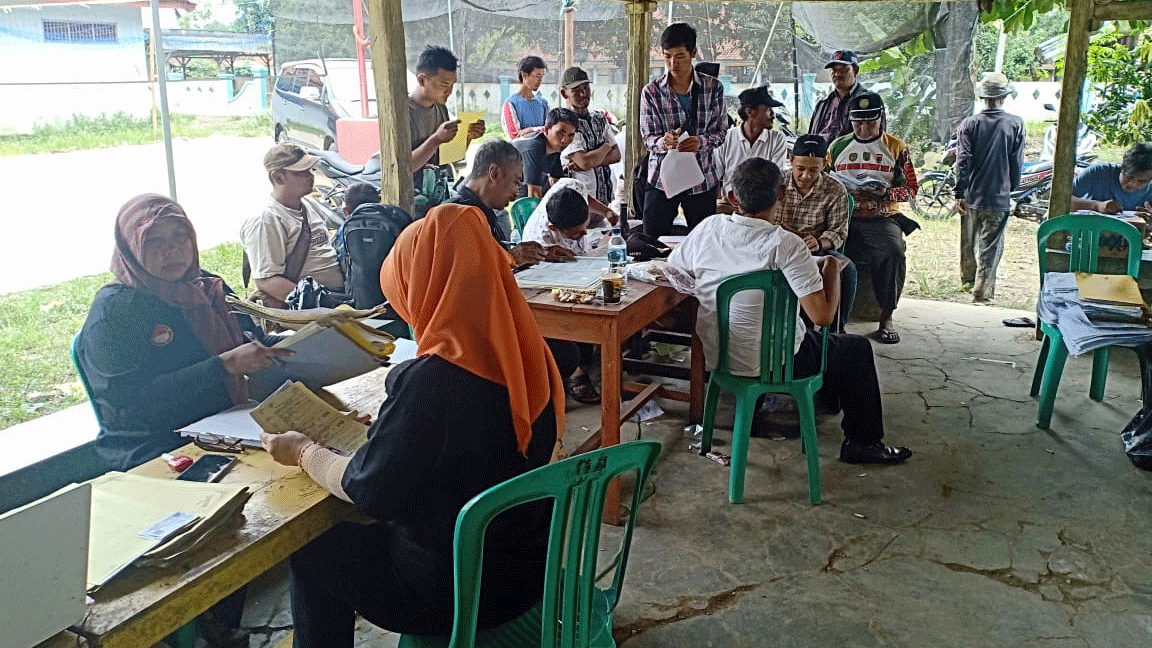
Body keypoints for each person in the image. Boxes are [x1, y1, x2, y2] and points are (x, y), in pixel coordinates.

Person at [261, 202, 565, 648]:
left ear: (425, 286)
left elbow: (370, 491)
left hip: (453, 594)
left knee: (316, 552)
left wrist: (304, 452)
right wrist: (393, 430)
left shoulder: (433, 381)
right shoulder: (527, 355)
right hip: (527, 573)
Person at [667, 158, 912, 464]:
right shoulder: (787, 245)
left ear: (732, 197)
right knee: (855, 348)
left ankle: (778, 409)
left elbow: (675, 271)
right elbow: (822, 316)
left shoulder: (707, 229)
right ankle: (863, 443)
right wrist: (832, 270)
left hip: (719, 356)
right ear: (780, 195)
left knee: (799, 337)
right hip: (778, 363)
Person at [78, 194, 291, 471]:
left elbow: (250, 339)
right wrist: (223, 366)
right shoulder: (115, 312)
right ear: (131, 247)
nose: (173, 250)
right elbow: (127, 403)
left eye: (181, 236)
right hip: (157, 447)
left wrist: (306, 341)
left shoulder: (206, 287)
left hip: (227, 423)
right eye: (154, 240)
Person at [828, 91, 919, 344]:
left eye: (870, 121)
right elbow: (824, 180)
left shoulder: (896, 147)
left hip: (883, 216)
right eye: (858, 122)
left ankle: (886, 316)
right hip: (845, 214)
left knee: (892, 252)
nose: (864, 128)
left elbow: (911, 188)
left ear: (881, 118)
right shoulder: (838, 147)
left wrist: (886, 192)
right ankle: (833, 319)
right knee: (830, 253)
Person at [639, 22, 727, 236]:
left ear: (693, 53)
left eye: (679, 56)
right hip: (662, 178)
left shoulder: (713, 87)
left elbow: (721, 132)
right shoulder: (651, 92)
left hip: (701, 178)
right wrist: (663, 142)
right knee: (652, 239)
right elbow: (648, 137)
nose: (672, 64)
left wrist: (701, 142)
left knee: (704, 242)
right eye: (667, 56)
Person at [240, 143, 345, 307]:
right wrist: (319, 305)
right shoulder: (266, 220)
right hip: (313, 306)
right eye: (301, 172)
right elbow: (267, 280)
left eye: (310, 170)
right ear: (278, 178)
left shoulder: (309, 204)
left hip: (337, 296)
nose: (310, 176)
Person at [954, 72, 1026, 302]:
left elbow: (962, 160)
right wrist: (1010, 188)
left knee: (968, 240)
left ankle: (967, 279)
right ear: (1004, 96)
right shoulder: (1015, 124)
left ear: (983, 98)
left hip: (972, 195)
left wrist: (959, 193)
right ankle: (982, 290)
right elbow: (1017, 163)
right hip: (999, 197)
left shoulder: (969, 124)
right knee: (991, 246)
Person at [772, 134, 856, 332]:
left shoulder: (835, 190)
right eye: (800, 169)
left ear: (825, 163)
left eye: (814, 170)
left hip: (814, 250)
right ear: (791, 160)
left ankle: (836, 331)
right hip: (777, 246)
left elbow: (838, 231)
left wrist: (819, 243)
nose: (806, 176)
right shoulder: (776, 182)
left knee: (848, 270)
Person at [450, 139, 572, 266]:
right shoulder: (458, 216)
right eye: (516, 182)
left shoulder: (483, 212)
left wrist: (541, 253)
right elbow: (467, 273)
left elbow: (490, 254)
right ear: (494, 173)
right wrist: (511, 258)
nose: (515, 194)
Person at [559, 67, 622, 226]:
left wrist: (592, 159)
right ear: (564, 93)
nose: (583, 94)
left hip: (604, 201)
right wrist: (605, 148)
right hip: (580, 204)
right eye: (576, 90)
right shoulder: (566, 124)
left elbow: (617, 155)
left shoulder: (599, 118)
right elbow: (584, 162)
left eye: (585, 88)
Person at [409, 46, 485, 174]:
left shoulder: (440, 108)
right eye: (444, 85)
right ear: (422, 80)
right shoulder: (403, 113)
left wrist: (468, 137)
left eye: (452, 85)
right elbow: (403, 168)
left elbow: (447, 158)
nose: (449, 91)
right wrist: (436, 140)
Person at [714, 85, 789, 208]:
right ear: (750, 112)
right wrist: (718, 204)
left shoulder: (777, 139)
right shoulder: (726, 137)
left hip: (762, 208)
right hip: (730, 205)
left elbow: (775, 178)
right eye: (768, 109)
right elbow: (715, 177)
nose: (773, 114)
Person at [511, 107, 579, 198]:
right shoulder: (535, 148)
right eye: (560, 133)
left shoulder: (554, 151)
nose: (565, 140)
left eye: (570, 135)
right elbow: (534, 196)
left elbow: (559, 186)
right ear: (547, 129)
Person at [1071, 142, 1152, 214]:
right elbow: (1062, 199)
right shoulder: (1098, 172)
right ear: (1121, 167)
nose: (1133, 184)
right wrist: (1097, 205)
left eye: (1142, 181)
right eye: (1129, 177)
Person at [809, 50, 869, 145]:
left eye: (843, 69)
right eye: (834, 70)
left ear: (855, 70)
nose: (837, 74)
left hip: (851, 158)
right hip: (822, 157)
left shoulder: (868, 102)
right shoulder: (822, 104)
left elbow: (876, 140)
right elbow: (811, 136)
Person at [502, 56, 549, 139]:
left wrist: (531, 130)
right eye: (537, 76)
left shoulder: (543, 103)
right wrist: (539, 130)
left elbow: (551, 130)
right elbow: (514, 136)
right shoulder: (510, 104)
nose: (540, 80)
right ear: (524, 75)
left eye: (541, 76)